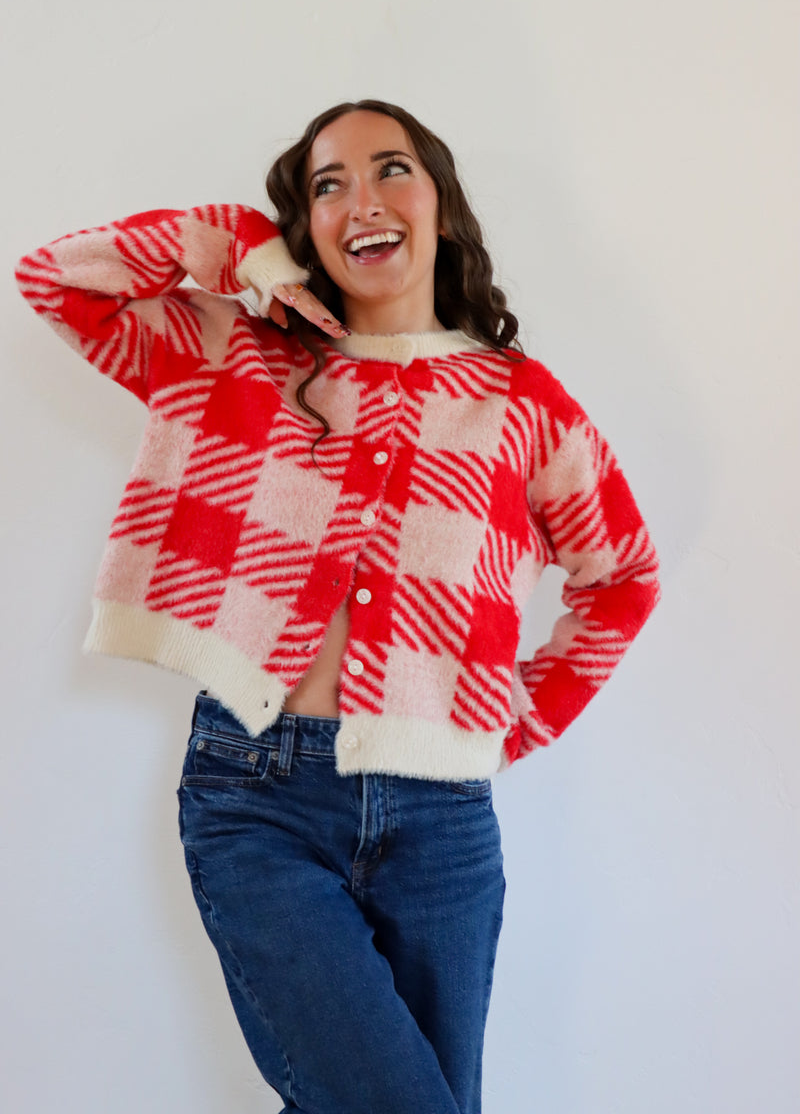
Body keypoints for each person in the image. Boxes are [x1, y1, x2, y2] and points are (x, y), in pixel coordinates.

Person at [15, 99, 660, 1114]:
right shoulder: (233, 352)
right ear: (301, 228)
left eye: (389, 169)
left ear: (438, 207)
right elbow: (54, 279)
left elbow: (620, 575)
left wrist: (517, 724)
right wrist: (234, 248)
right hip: (253, 795)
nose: (360, 199)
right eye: (326, 185)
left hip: (442, 821)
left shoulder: (521, 403)